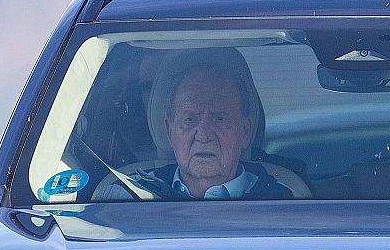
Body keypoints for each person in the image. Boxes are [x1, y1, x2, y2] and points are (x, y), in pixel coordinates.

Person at [100, 53, 296, 200]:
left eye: (219, 118)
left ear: (245, 131)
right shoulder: (126, 196)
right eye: (190, 119)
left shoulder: (286, 203)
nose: (203, 135)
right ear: (169, 131)